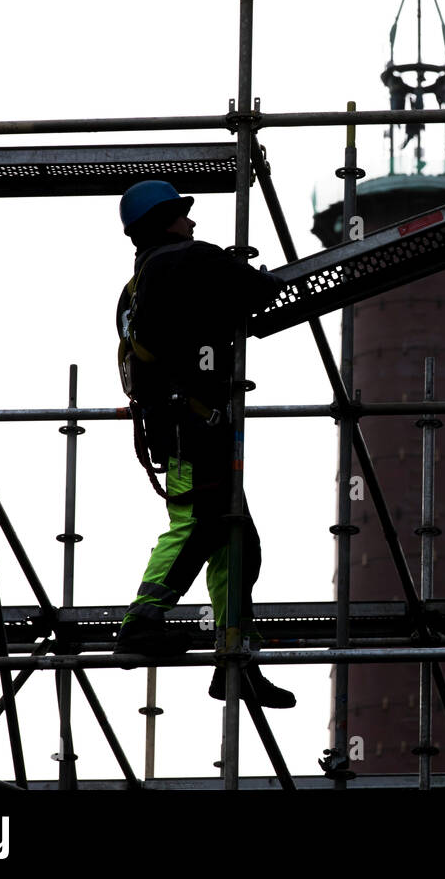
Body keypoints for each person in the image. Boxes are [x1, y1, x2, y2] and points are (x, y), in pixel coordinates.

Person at [112, 179, 295, 709]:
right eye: (182, 215)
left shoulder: (137, 285)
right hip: (190, 427)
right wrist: (237, 268)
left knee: (236, 539)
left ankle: (233, 655)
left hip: (180, 424)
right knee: (196, 523)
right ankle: (140, 624)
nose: (191, 222)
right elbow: (261, 293)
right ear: (164, 221)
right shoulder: (188, 259)